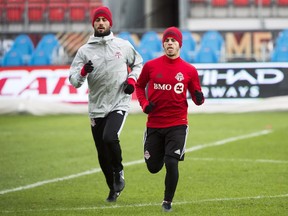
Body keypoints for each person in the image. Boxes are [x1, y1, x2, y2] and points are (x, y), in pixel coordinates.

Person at [69, 6, 143, 202]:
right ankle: (113, 188)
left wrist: (132, 81)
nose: (101, 23)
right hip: (96, 107)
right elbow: (74, 81)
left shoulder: (123, 45)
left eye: (104, 20)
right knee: (102, 154)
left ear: (111, 23)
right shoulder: (84, 50)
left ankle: (119, 172)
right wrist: (83, 72)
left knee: (110, 137)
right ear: (93, 23)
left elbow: (138, 63)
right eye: (97, 20)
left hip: (119, 101)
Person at [135, 27, 204, 212]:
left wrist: (198, 97)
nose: (170, 43)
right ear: (163, 44)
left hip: (178, 123)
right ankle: (149, 150)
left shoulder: (189, 70)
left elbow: (197, 94)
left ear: (179, 44)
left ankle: (167, 202)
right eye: (167, 40)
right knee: (153, 167)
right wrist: (144, 104)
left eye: (173, 40)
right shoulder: (151, 66)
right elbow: (139, 87)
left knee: (171, 162)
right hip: (155, 124)